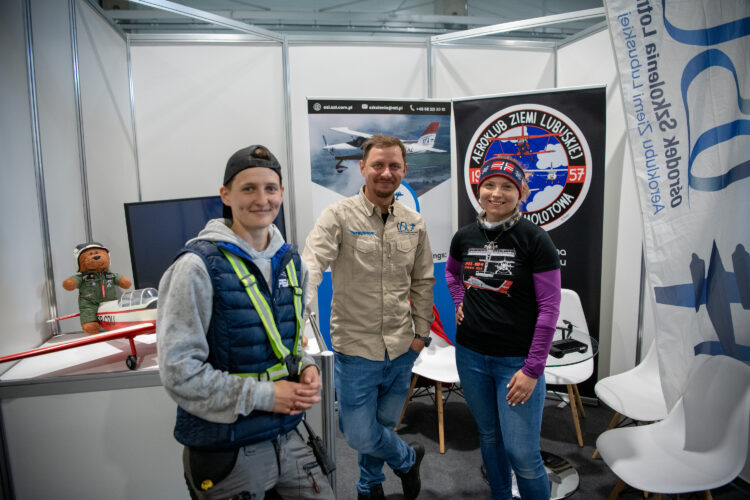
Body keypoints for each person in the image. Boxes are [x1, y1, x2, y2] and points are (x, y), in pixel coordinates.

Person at [157, 145, 334, 500]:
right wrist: (267, 395)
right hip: (228, 446)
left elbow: (287, 342)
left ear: (282, 193)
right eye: (248, 188)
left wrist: (305, 365)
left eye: (270, 188)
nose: (262, 199)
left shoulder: (293, 262)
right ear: (226, 195)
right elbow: (179, 374)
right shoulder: (195, 267)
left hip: (287, 434)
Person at [302, 135, 435, 500]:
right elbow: (310, 267)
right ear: (362, 167)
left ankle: (368, 486)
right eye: (377, 165)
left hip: (402, 347)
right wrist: (298, 315)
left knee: (382, 425)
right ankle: (407, 459)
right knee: (358, 433)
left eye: (394, 166)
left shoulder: (413, 222)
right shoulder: (338, 216)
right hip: (356, 350)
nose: (385, 172)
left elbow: (423, 281)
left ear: (404, 170)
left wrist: (421, 335)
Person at [445, 155, 561, 500]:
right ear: (479, 191)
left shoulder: (535, 239)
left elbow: (549, 309)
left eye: (507, 186)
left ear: (521, 192)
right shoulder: (464, 236)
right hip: (470, 356)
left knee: (522, 454)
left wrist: (532, 369)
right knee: (490, 437)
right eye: (489, 185)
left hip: (516, 363)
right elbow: (452, 273)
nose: (496, 193)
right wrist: (459, 300)